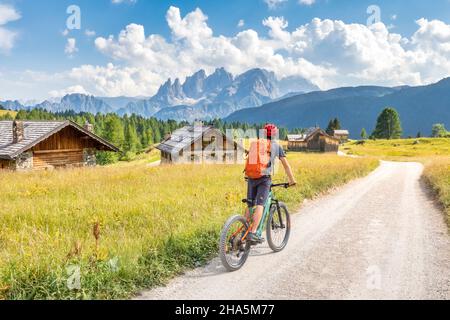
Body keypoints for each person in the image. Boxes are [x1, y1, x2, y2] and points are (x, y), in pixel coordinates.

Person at [244, 124, 296, 242]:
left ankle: (244, 230)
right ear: (274, 134)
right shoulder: (276, 146)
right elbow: (286, 165)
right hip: (264, 179)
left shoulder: (255, 144)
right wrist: (292, 180)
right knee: (260, 205)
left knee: (250, 205)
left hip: (251, 177)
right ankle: (253, 233)